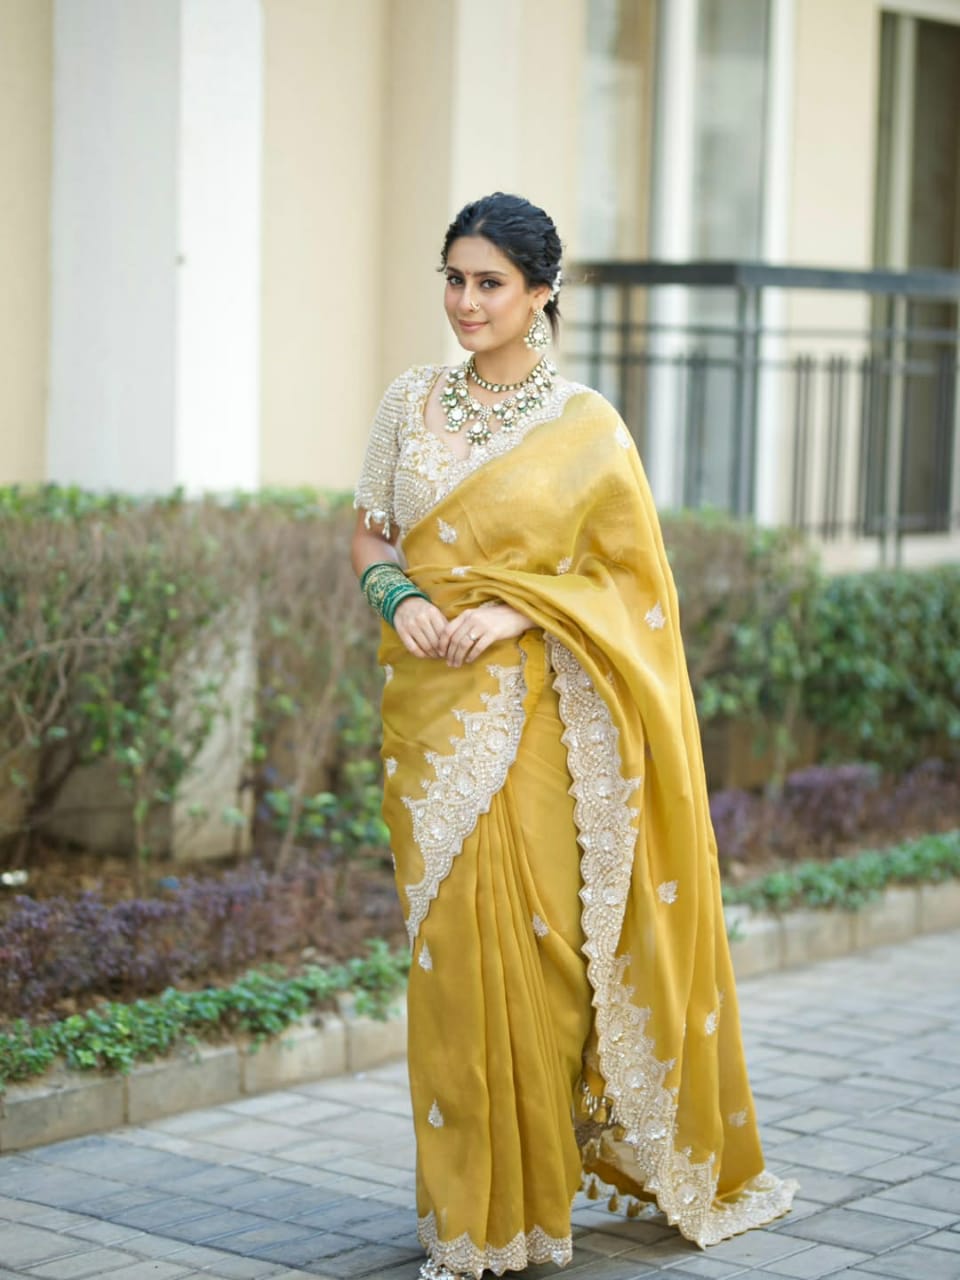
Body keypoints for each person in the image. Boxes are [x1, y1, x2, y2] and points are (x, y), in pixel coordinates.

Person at [351, 192, 796, 1280]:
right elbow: (370, 524)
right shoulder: (408, 403)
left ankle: (530, 1208)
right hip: (428, 716)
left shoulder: (586, 426)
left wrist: (514, 608)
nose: (466, 301)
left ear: (542, 292)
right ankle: (468, 1215)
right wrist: (398, 596)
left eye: (489, 282)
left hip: (537, 719)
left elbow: (629, 580)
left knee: (544, 954)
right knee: (450, 962)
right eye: (453, 278)